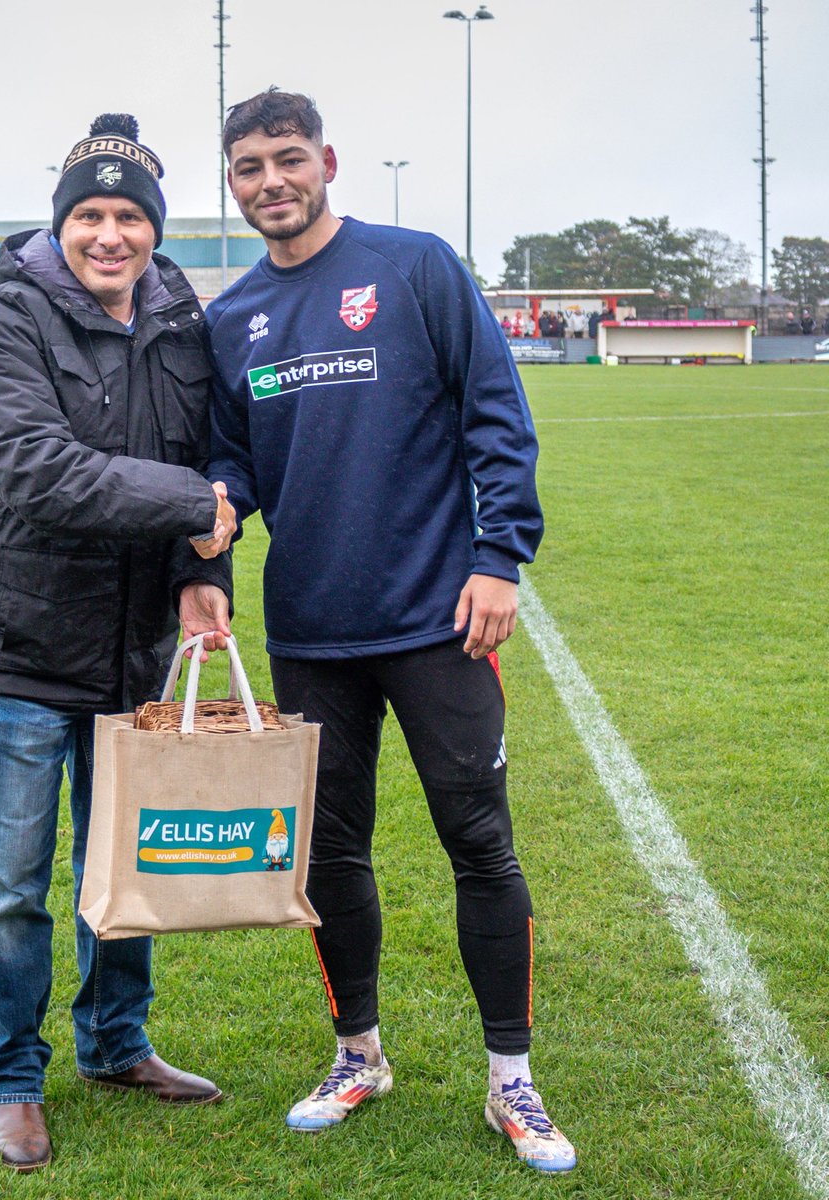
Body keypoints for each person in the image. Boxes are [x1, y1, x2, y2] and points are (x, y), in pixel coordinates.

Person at [205, 87, 574, 1174]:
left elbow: (495, 414)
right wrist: (214, 533)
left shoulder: (415, 267)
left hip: (438, 622)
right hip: (312, 633)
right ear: (231, 184)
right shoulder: (231, 320)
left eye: (286, 158)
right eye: (247, 168)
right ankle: (357, 1053)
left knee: (481, 846)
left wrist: (499, 555)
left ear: (326, 159)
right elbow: (230, 466)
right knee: (330, 853)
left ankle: (513, 1078)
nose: (270, 181)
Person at [0, 111, 236, 1175]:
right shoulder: (2, 320)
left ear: (154, 230)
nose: (108, 235)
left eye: (128, 217)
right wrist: (194, 503)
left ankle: (117, 1045)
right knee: (15, 884)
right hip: (20, 645)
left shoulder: (182, 326)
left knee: (124, 867)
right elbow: (36, 469)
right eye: (88, 215)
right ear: (59, 225)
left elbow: (204, 467)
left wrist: (204, 569)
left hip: (133, 650)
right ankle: (15, 1078)